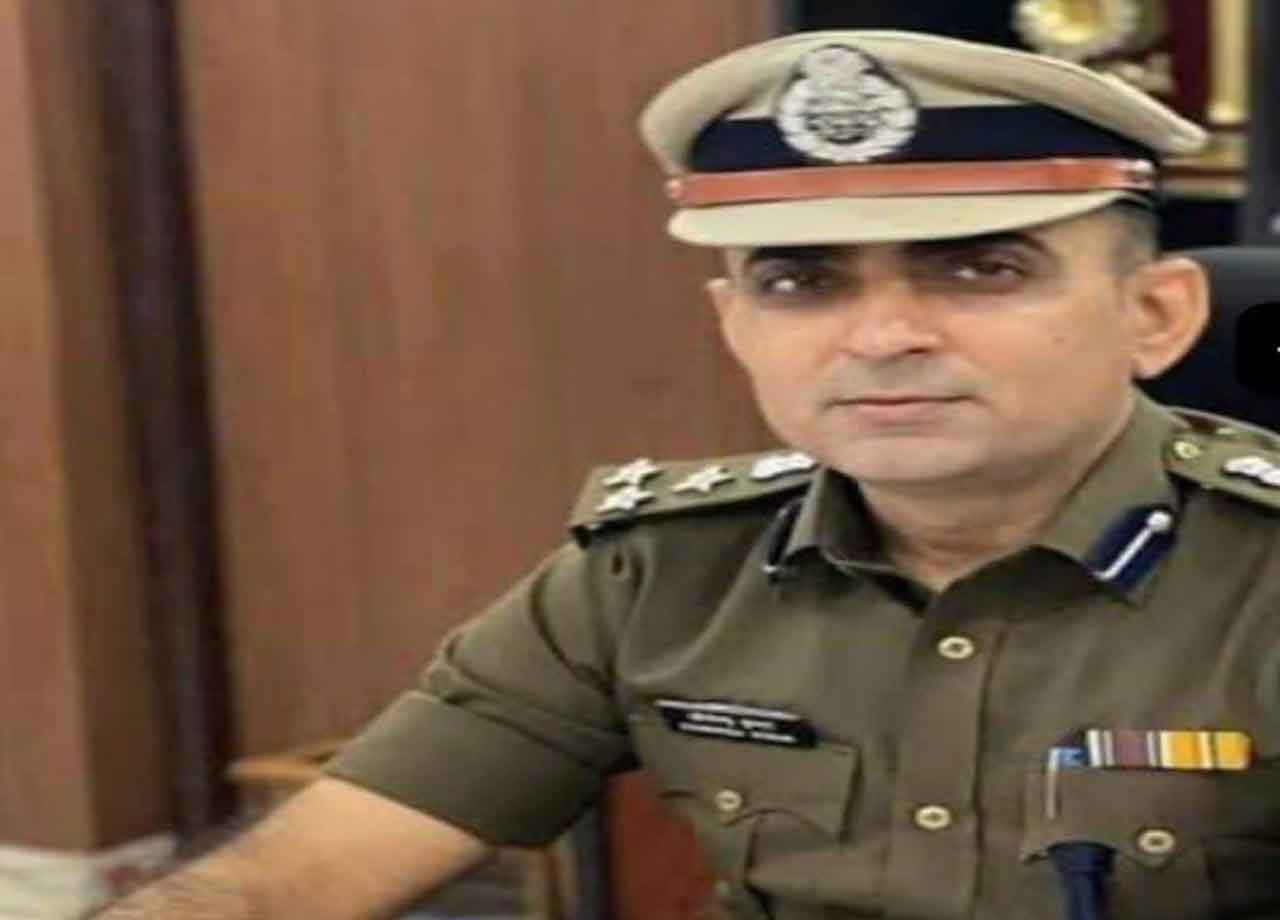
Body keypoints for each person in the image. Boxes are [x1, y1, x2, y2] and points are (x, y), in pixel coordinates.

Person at [98, 29, 1280, 920]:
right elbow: (288, 879)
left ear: (1153, 314)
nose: (880, 336)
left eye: (979, 270)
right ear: (733, 324)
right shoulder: (657, 570)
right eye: (801, 282)